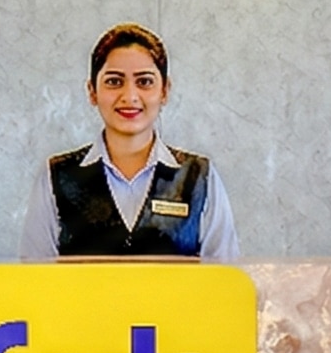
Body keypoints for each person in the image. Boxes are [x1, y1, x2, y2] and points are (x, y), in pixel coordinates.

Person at [19, 23, 239, 261]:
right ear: (92, 91)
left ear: (165, 91)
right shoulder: (56, 176)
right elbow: (35, 275)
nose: (130, 96)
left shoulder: (199, 177)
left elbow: (224, 275)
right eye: (114, 82)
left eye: (144, 82)